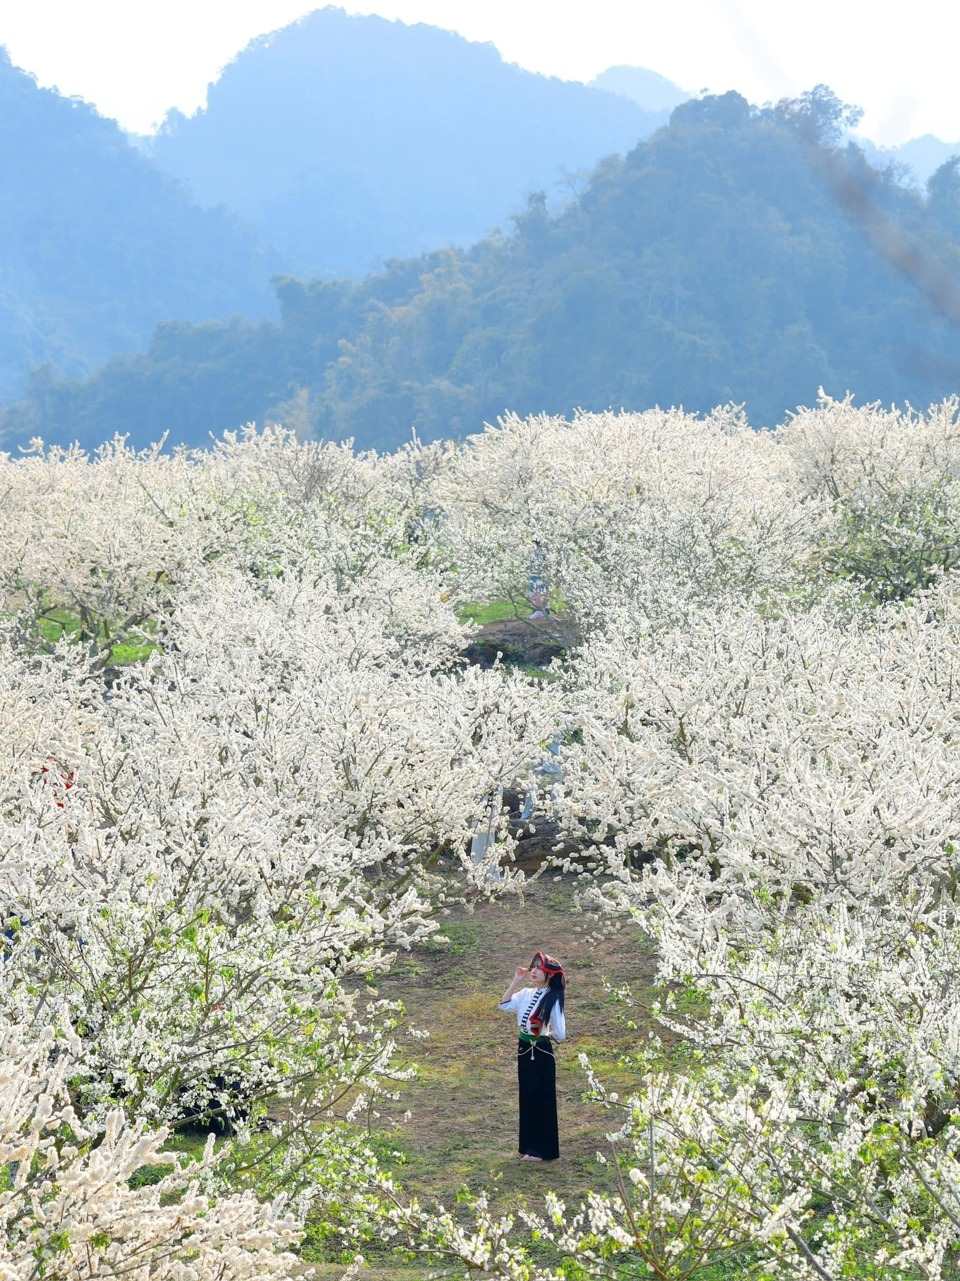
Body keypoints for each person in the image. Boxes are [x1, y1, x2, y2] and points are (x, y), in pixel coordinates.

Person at [497, 950, 566, 1161]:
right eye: (533, 967)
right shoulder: (525, 993)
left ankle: (543, 1150)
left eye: (539, 968)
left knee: (542, 1099)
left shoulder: (552, 998)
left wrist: (545, 1033)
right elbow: (504, 1005)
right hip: (524, 1049)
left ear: (549, 974)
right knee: (527, 1097)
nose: (534, 971)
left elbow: (561, 1034)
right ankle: (528, 1147)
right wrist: (515, 980)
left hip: (542, 1051)